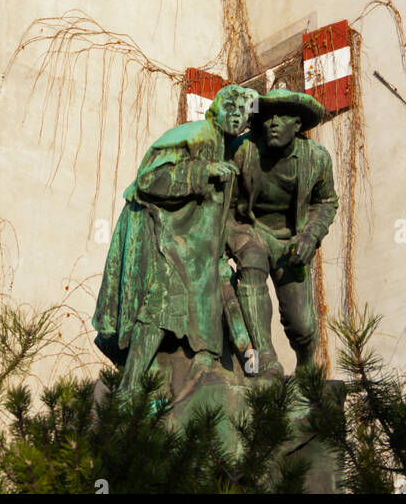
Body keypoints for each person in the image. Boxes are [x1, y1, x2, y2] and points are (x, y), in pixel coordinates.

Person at [93, 83, 257, 396]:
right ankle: (130, 387)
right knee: (163, 302)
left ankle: (153, 379)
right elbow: (148, 179)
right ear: (214, 111)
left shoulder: (223, 148)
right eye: (230, 109)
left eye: (242, 113)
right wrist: (204, 171)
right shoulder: (197, 134)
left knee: (190, 302)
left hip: (184, 242)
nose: (236, 117)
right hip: (152, 229)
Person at [228, 88, 338, 378]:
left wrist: (310, 236)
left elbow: (326, 202)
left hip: (293, 241)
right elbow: (224, 203)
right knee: (251, 261)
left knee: (301, 325)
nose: (273, 122)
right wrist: (230, 238)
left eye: (282, 116)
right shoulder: (243, 150)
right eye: (267, 117)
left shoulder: (317, 158)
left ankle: (306, 364)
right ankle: (265, 357)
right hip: (252, 230)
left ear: (298, 124)